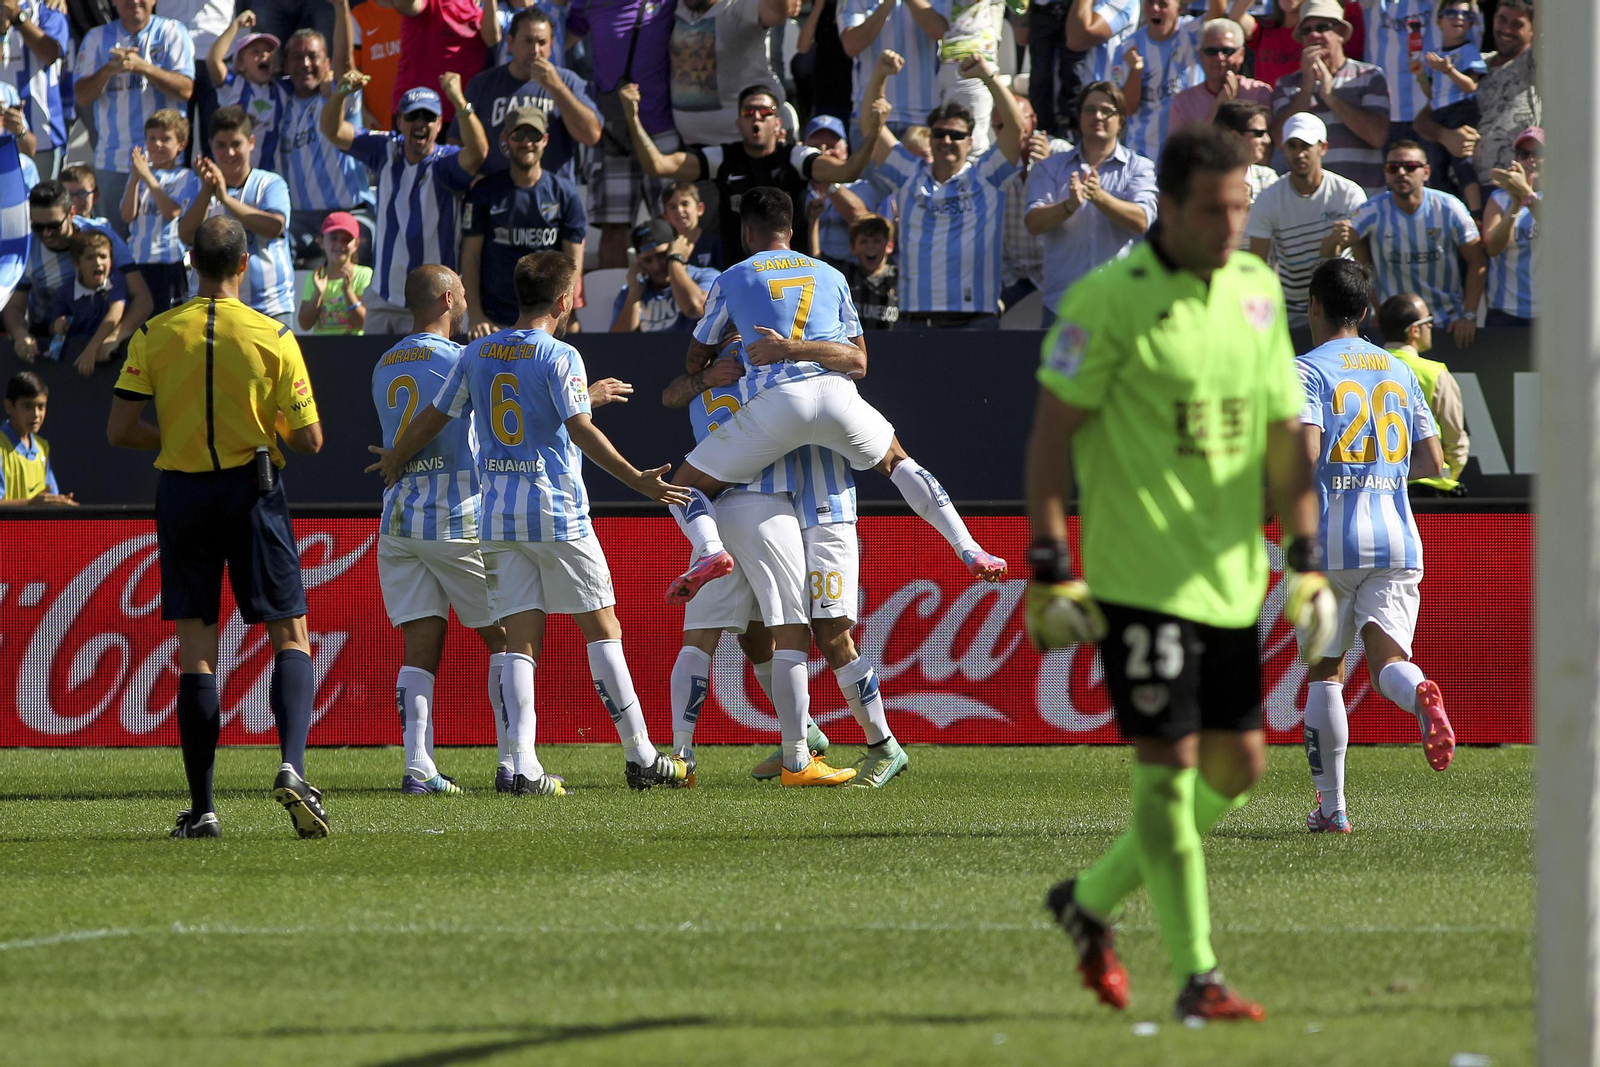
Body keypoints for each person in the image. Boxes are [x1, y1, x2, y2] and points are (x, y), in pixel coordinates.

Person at [1028, 124, 1334, 1023]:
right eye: (1216, 209)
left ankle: (1086, 900)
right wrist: (1050, 567)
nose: (1234, 225)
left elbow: (1285, 437)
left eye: (1244, 206)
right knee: (1165, 775)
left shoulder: (1254, 291)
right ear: (1168, 207)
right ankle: (1199, 976)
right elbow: (1051, 444)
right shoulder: (1104, 301)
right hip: (1139, 581)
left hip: (1233, 577)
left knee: (1240, 765)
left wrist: (1306, 564)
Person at [370, 250, 695, 793]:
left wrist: (396, 456)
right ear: (565, 299)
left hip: (496, 518)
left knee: (520, 638)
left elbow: (434, 415)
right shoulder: (560, 355)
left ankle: (521, 766)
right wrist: (637, 477)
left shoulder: (474, 353)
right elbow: (581, 429)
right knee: (602, 627)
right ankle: (641, 754)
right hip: (557, 512)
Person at [661, 186, 1008, 607]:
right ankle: (969, 546)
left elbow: (696, 357)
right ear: (791, 229)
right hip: (836, 395)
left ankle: (710, 550)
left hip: (777, 402)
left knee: (682, 487)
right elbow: (859, 362)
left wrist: (740, 342)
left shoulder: (733, 277)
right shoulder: (832, 275)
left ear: (747, 231)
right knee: (899, 462)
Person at [106, 215, 329, 840]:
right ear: (244, 265)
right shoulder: (273, 336)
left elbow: (119, 432)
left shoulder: (153, 335)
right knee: (290, 634)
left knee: (196, 653)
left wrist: (177, 437)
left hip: (182, 492)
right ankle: (291, 768)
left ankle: (203, 808)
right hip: (252, 489)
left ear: (189, 262)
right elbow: (310, 439)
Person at [1296, 258, 1452, 835]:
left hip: (1329, 542)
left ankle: (1333, 808)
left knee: (1326, 674)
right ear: (1364, 311)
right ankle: (1419, 697)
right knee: (1390, 663)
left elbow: (1305, 454)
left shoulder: (1308, 370)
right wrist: (1380, 474)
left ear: (1313, 305)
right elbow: (1434, 461)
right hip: (1396, 538)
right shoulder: (1399, 370)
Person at [370, 265, 506, 795]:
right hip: (455, 511)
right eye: (465, 294)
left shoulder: (384, 362)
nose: (469, 302)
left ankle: (417, 767)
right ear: (449, 298)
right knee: (507, 636)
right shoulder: (460, 359)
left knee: (419, 644)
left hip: (400, 516)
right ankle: (515, 761)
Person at [618, 80, 885, 267]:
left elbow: (848, 171)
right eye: (748, 112)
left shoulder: (795, 157)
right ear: (738, 123)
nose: (756, 117)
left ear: (777, 122)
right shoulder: (722, 158)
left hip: (790, 273)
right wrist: (632, 118)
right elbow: (658, 165)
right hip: (740, 275)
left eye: (764, 112)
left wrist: (873, 133)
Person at [866, 50, 1025, 327]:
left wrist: (987, 76)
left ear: (970, 141)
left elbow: (1015, 128)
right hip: (915, 319)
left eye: (957, 135)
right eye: (939, 134)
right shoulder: (908, 174)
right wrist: (879, 74)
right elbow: (872, 129)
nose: (947, 140)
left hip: (976, 319)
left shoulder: (987, 175)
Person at [321, 74, 488, 333]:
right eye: (412, 116)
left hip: (435, 304)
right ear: (399, 121)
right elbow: (332, 131)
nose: (420, 123)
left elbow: (479, 152)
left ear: (439, 124)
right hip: (383, 296)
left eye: (428, 117)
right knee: (377, 371)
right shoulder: (385, 149)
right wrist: (342, 91)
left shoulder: (447, 164)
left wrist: (458, 99)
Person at [1025, 81, 1158, 328]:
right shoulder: (1051, 168)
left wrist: (1100, 197)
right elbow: (1033, 222)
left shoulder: (1140, 168)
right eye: (1089, 109)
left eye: (1107, 110)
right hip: (1064, 308)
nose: (1097, 116)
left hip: (1122, 306)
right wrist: (1067, 207)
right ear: (1079, 117)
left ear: (1121, 120)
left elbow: (1141, 221)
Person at [1336, 139, 1486, 347]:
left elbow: (1478, 261)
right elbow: (1337, 249)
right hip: (1394, 328)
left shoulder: (1450, 207)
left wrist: (1469, 316)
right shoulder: (1372, 210)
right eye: (1393, 167)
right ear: (1386, 173)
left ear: (1426, 172)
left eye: (1410, 166)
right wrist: (1377, 307)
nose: (1401, 173)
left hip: (1446, 324)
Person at [567, 0, 678, 268]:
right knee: (613, 227)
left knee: (673, 222)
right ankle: (617, 304)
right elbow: (560, 38)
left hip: (660, 126)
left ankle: (676, 304)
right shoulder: (587, 3)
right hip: (612, 131)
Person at [73, 0, 196, 239]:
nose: (134, 1)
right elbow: (82, 96)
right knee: (114, 244)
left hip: (166, 165)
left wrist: (145, 68)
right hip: (113, 163)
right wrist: (108, 70)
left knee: (165, 244)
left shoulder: (172, 31)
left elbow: (186, 89)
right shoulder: (96, 38)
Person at [461, 105, 587, 337]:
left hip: (547, 321)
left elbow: (573, 264)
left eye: (534, 135)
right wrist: (476, 315)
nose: (526, 142)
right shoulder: (484, 192)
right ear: (506, 139)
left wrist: (564, 314)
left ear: (545, 140)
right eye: (518, 134)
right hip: (494, 321)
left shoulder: (565, 194)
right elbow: (470, 256)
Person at [4, 179, 154, 367]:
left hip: (102, 345)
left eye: (54, 226)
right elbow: (14, 307)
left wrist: (115, 337)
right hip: (48, 342)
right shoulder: (26, 248)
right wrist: (20, 334)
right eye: (38, 227)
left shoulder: (101, 240)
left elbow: (143, 300)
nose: (46, 234)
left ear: (72, 213)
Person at [1244, 112, 1366, 325]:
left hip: (1345, 307)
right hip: (1294, 311)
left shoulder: (1349, 193)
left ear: (1323, 148)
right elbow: (1257, 266)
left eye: (1305, 146)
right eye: (1292, 146)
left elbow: (1364, 260)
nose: (1299, 153)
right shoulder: (1269, 200)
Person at [177, 106, 295, 325]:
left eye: (236, 144)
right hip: (213, 309)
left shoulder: (270, 183)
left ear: (251, 143)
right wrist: (206, 192)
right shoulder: (196, 186)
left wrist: (225, 199)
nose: (229, 153)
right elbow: (185, 235)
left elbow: (274, 227)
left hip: (268, 308)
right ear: (211, 145)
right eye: (221, 145)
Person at [277, 16, 375, 268]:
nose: (305, 63)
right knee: (272, 245)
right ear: (286, 64)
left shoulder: (337, 97)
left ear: (327, 62)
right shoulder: (278, 103)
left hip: (349, 211)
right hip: (301, 219)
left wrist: (341, 7)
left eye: (313, 56)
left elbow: (346, 68)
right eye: (297, 57)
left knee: (359, 246)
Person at [459, 7, 601, 180]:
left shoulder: (569, 82)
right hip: (494, 193)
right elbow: (457, 140)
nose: (535, 50)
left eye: (542, 42)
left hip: (551, 195)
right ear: (510, 43)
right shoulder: (482, 84)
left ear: (551, 45)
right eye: (528, 41)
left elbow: (591, 135)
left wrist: (557, 87)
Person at [1269, 0, 1390, 193]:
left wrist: (1330, 96)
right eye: (1307, 30)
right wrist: (1307, 88)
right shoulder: (1286, 85)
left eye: (1322, 27)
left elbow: (1377, 137)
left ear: (1340, 34)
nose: (1314, 35)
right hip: (1310, 203)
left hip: (1365, 197)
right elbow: (1279, 140)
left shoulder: (1369, 76)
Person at [1416, 0, 1535, 184]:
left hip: (1512, 187)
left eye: (1517, 24)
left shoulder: (1534, 64)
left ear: (1533, 31)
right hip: (1464, 187)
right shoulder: (1470, 63)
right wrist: (1445, 136)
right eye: (1502, 20)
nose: (1506, 30)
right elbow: (1422, 121)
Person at [669, 0, 798, 148]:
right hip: (692, 146)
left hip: (749, 145)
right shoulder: (675, 8)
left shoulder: (741, 6)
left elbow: (776, 13)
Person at [1378, 291, 1469, 493]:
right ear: (1414, 331)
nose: (1431, 326)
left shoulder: (1365, 370)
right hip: (1429, 489)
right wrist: (1447, 476)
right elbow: (1455, 440)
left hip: (1377, 488)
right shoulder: (1435, 373)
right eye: (1428, 320)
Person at [123, 109, 201, 317]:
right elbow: (127, 215)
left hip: (168, 262)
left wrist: (147, 176)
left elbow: (172, 211)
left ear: (181, 145)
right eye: (152, 139)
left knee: (167, 321)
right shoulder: (140, 175)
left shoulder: (185, 177)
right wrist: (134, 179)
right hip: (137, 261)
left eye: (165, 139)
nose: (157, 145)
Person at [999, 95, 1073, 312]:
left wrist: (1047, 167)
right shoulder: (994, 161)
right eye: (1003, 125)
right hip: (1014, 276)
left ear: (1034, 120)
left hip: (1057, 274)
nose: (1012, 129)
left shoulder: (1061, 153)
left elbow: (1083, 206)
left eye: (1018, 121)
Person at [371, 0, 494, 125]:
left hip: (461, 115)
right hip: (417, 113)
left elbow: (493, 39)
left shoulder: (479, 7)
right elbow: (407, 5)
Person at [838, 0, 948, 139]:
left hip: (924, 117)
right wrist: (887, 5)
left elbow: (941, 31)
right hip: (871, 115)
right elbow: (852, 45)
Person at [1411, 0, 1483, 211]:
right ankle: (1451, 209)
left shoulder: (1469, 50)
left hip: (1460, 109)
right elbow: (1432, 94)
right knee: (1435, 167)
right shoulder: (1435, 54)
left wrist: (1449, 70)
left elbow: (1471, 86)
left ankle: (1476, 213)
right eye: (1452, 13)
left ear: (1471, 25)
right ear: (1439, 21)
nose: (1459, 18)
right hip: (1440, 111)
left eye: (1466, 16)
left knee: (1463, 165)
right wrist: (1421, 76)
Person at [610, 218, 720, 332]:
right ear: (639, 262)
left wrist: (675, 260)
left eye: (662, 255)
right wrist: (633, 295)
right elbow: (617, 343)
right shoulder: (631, 292)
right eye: (647, 260)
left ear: (677, 248)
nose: (656, 266)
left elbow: (695, 308)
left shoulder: (707, 277)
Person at [0, 0, 70, 178]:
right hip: (3, 135)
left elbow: (51, 53)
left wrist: (17, 16)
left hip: (42, 133)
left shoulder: (47, 7)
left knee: (42, 203)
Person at [207, 13, 285, 168]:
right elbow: (213, 60)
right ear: (240, 65)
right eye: (255, 52)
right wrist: (236, 25)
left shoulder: (282, 90)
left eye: (268, 51)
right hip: (232, 170)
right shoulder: (234, 84)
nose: (264, 55)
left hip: (267, 175)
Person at [1168, 17, 1271, 133]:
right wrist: (1217, 108)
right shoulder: (1183, 103)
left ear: (1241, 54)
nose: (1219, 57)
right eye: (1211, 51)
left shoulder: (1259, 93)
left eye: (1227, 51)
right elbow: (1181, 150)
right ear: (1201, 56)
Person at [1480, 125, 1538, 327]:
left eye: (1538, 153)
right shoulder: (1499, 199)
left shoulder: (1567, 192)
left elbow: (1564, 238)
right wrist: (1515, 203)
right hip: (1507, 311)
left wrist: (1526, 195)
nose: (1530, 159)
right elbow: (1493, 248)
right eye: (1523, 154)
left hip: (1554, 311)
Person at [49, 230, 127, 375]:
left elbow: (115, 312)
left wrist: (91, 349)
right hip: (75, 361)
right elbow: (52, 326)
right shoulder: (65, 292)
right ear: (77, 263)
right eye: (90, 257)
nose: (98, 262)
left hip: (105, 358)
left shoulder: (116, 280)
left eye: (103, 256)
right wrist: (57, 325)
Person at [800, 114, 873, 269]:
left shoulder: (861, 188)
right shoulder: (796, 188)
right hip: (806, 274)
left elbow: (863, 222)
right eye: (816, 148)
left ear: (846, 150)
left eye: (832, 146)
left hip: (851, 274)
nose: (824, 153)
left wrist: (827, 180)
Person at [0, 370, 74, 505]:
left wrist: (61, 503)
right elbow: (38, 503)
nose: (36, 414)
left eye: (41, 406)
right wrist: (31, 504)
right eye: (27, 406)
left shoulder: (42, 447)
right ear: (9, 406)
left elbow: (51, 498)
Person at [297, 211, 372, 334]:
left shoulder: (364, 274)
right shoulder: (315, 277)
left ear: (356, 244)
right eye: (333, 238)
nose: (339, 244)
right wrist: (318, 294)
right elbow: (304, 325)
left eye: (346, 239)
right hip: (323, 350)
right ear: (321, 241)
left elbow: (364, 323)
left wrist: (348, 291)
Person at [1213, 101, 1280, 210]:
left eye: (1267, 133)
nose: (1267, 140)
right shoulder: (1203, 182)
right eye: (1259, 134)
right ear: (1234, 137)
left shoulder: (1266, 178)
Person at [844, 213, 898, 330]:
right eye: (864, 241)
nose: (870, 246)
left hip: (893, 344)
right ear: (853, 247)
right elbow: (817, 267)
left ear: (889, 246)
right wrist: (814, 221)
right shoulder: (847, 276)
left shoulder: (899, 278)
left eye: (877, 241)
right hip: (857, 347)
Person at [660, 179, 722, 268]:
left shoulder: (715, 244)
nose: (679, 211)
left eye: (685, 204)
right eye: (672, 207)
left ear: (699, 209)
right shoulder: (665, 249)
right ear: (666, 216)